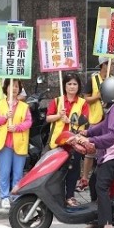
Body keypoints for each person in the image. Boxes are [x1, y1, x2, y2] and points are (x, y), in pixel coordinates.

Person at [75, 76, 114, 228]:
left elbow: (112, 135)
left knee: (101, 186)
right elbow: (104, 125)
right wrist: (88, 132)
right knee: (93, 182)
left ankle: (107, 227)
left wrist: (91, 140)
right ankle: (98, 219)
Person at [45, 73, 89, 207]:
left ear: (79, 86)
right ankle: (57, 197)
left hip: (75, 142)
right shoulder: (57, 101)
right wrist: (59, 115)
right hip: (58, 141)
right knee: (58, 171)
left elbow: (85, 121)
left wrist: (69, 120)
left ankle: (70, 196)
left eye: (75, 84)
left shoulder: (83, 103)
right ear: (64, 85)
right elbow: (48, 118)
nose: (72, 86)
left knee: (73, 170)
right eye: (69, 84)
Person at [0, 78, 32, 209]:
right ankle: (4, 196)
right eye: (11, 86)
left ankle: (16, 196)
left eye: (16, 86)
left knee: (18, 173)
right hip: (4, 144)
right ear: (6, 88)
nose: (14, 89)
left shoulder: (24, 106)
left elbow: (28, 122)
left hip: (19, 143)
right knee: (4, 171)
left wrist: (17, 127)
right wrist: (5, 117)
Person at [79, 56, 114, 193]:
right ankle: (84, 178)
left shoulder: (113, 80)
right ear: (104, 65)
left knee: (106, 149)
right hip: (95, 119)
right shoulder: (93, 80)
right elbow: (86, 98)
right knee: (90, 151)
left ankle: (101, 177)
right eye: (112, 64)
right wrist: (97, 96)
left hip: (109, 119)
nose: (113, 66)